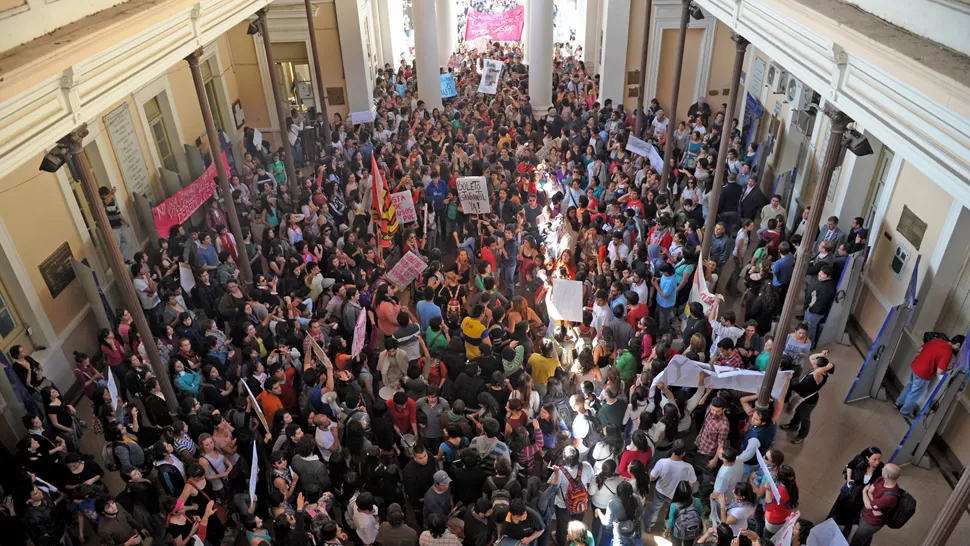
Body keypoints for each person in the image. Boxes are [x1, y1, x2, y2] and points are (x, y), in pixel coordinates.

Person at [895, 334, 964, 417]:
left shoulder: (937, 340)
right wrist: (946, 375)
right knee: (915, 393)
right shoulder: (948, 352)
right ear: (958, 345)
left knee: (909, 386)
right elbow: (939, 371)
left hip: (915, 365)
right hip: (923, 373)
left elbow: (919, 349)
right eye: (961, 349)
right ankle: (905, 411)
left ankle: (898, 403)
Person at [644, 440, 698, 533]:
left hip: (660, 491)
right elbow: (693, 483)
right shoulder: (688, 467)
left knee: (655, 508)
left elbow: (652, 478)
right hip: (675, 495)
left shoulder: (662, 462)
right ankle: (667, 527)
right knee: (671, 511)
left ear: (672, 449)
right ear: (684, 453)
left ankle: (649, 525)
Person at [781, 351, 835, 444]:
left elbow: (819, 370)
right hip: (802, 396)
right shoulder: (817, 370)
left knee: (805, 417)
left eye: (815, 363)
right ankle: (793, 425)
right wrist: (821, 355)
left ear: (820, 367)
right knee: (798, 412)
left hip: (808, 401)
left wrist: (828, 366)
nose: (813, 362)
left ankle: (802, 435)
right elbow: (811, 357)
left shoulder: (819, 375)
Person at [849, 464, 902, 546]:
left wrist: (864, 492)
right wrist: (873, 507)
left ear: (887, 475)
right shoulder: (881, 479)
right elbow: (870, 491)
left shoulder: (889, 497)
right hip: (866, 513)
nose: (881, 470)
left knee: (857, 541)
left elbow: (868, 503)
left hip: (870, 522)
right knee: (865, 538)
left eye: (883, 469)